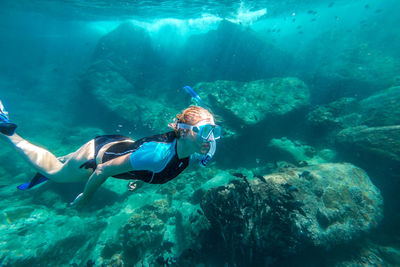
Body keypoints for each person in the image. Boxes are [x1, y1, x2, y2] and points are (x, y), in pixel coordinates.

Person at [0, 100, 221, 207]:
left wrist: (141, 179)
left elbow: (158, 165)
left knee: (64, 163)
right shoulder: (157, 155)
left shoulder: (186, 152)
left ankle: (65, 162)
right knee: (55, 172)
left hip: (119, 145)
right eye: (204, 130)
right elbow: (104, 169)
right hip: (97, 156)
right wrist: (85, 197)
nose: (210, 138)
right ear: (183, 132)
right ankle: (7, 131)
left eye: (213, 130)